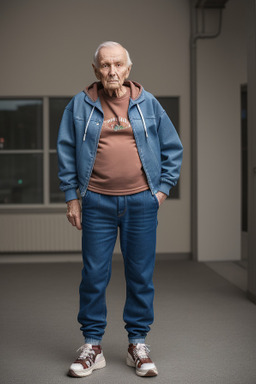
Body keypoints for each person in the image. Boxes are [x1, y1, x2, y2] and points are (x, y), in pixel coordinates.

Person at [57, 41, 183, 378]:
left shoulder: (148, 103)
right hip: (96, 201)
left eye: (118, 65)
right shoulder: (80, 105)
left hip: (141, 202)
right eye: (105, 65)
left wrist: (161, 191)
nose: (112, 71)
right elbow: (67, 151)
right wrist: (72, 197)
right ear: (95, 70)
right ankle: (92, 345)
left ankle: (137, 344)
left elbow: (173, 148)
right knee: (94, 275)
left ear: (128, 69)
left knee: (140, 275)